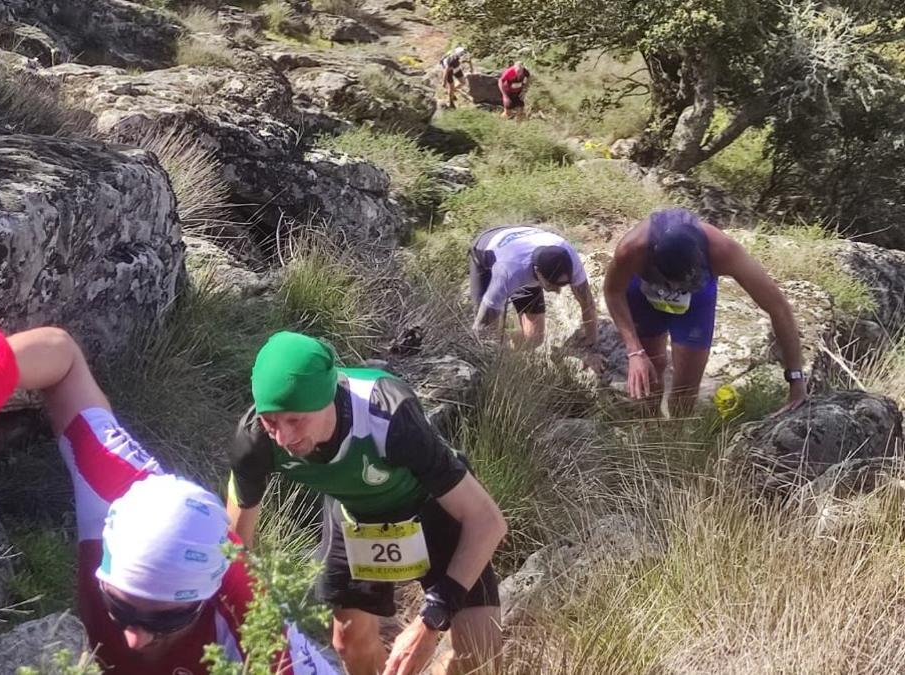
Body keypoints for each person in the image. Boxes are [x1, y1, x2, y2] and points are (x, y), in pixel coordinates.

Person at [0, 327, 337, 674]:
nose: (135, 636)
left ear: (208, 596)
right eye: (119, 605)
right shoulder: (115, 487)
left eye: (165, 620)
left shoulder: (258, 639)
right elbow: (62, 358)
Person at [226, 331, 508, 675]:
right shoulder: (255, 440)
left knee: (481, 655)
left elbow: (487, 521)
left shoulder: (387, 413)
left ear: (326, 398)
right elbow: (237, 552)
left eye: (296, 420)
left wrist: (433, 617)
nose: (284, 438)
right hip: (356, 514)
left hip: (432, 508)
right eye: (272, 422)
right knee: (348, 642)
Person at [602, 208, 808, 416]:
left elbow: (779, 308)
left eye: (683, 284)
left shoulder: (722, 250)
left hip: (696, 303)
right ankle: (651, 430)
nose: (674, 290)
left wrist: (796, 378)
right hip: (643, 295)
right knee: (651, 370)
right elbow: (613, 292)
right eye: (669, 283)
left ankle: (676, 436)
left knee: (686, 390)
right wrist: (634, 351)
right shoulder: (632, 249)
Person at [469, 225, 599, 352]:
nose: (557, 290)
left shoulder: (571, 259)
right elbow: (481, 328)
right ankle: (500, 356)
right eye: (552, 285)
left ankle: (509, 353)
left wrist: (592, 343)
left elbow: (587, 303)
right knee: (488, 337)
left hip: (524, 239)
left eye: (562, 285)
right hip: (485, 248)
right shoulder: (509, 272)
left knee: (534, 337)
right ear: (537, 272)